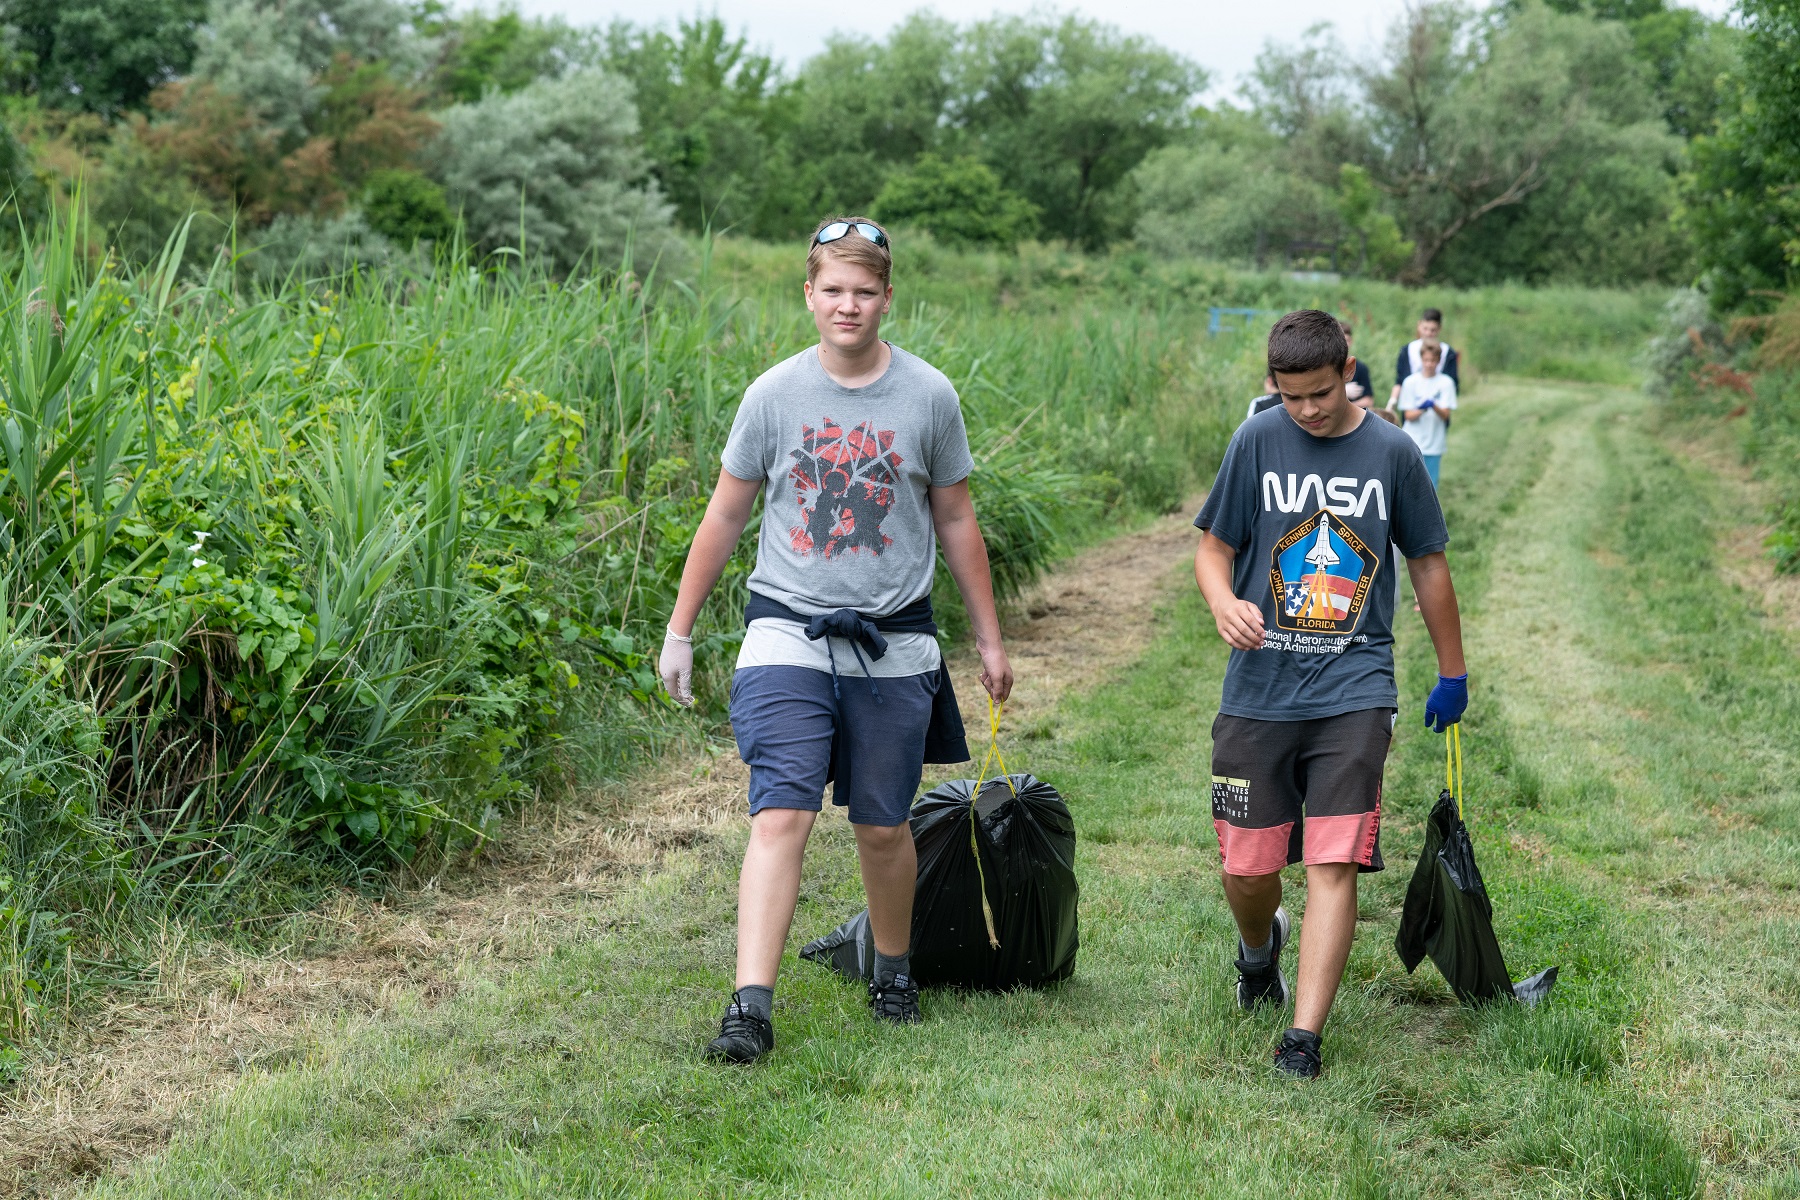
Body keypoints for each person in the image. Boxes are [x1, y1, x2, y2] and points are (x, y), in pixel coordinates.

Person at [658, 216, 1014, 1066]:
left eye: (864, 291)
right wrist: (678, 631)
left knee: (883, 827)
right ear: (808, 295)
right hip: (786, 630)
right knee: (781, 810)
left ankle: (893, 968)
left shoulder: (929, 397)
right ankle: (750, 1006)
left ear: (887, 298)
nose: (847, 305)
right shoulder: (773, 396)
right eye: (833, 290)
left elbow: (957, 520)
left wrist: (991, 642)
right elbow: (725, 515)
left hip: (894, 645)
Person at [1192, 309, 1469, 1080]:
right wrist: (1222, 602)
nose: (1308, 410)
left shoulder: (1392, 452)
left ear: (1349, 366)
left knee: (1332, 860)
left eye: (1320, 392)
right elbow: (1214, 548)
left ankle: (1303, 1038)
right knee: (1248, 871)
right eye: (1291, 397)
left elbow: (1428, 564)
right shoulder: (1255, 440)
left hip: (1355, 686)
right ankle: (1258, 952)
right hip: (1259, 690)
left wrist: (1453, 673)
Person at [1398, 342, 1457, 489]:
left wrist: (1434, 405)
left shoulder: (1446, 383)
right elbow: (1408, 415)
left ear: (1438, 361)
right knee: (1409, 484)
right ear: (1421, 359)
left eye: (1433, 361)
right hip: (1413, 440)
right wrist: (1423, 408)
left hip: (1434, 441)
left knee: (1431, 485)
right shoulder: (1410, 382)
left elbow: (1445, 415)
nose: (1429, 364)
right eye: (1426, 360)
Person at [1387, 307, 1460, 408]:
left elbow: (1452, 384)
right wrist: (1392, 402)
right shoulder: (1407, 350)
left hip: (1438, 407)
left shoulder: (1448, 353)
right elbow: (1400, 381)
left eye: (1433, 330)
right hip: (1411, 406)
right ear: (1419, 325)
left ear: (1439, 329)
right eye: (1425, 329)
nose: (1428, 333)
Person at [1338, 320, 1394, 426]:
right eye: (1341, 340)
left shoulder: (1361, 368)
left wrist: (1348, 406)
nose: (1345, 344)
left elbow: (1368, 400)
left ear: (1351, 341)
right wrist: (1343, 390)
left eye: (1347, 340)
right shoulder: (1327, 367)